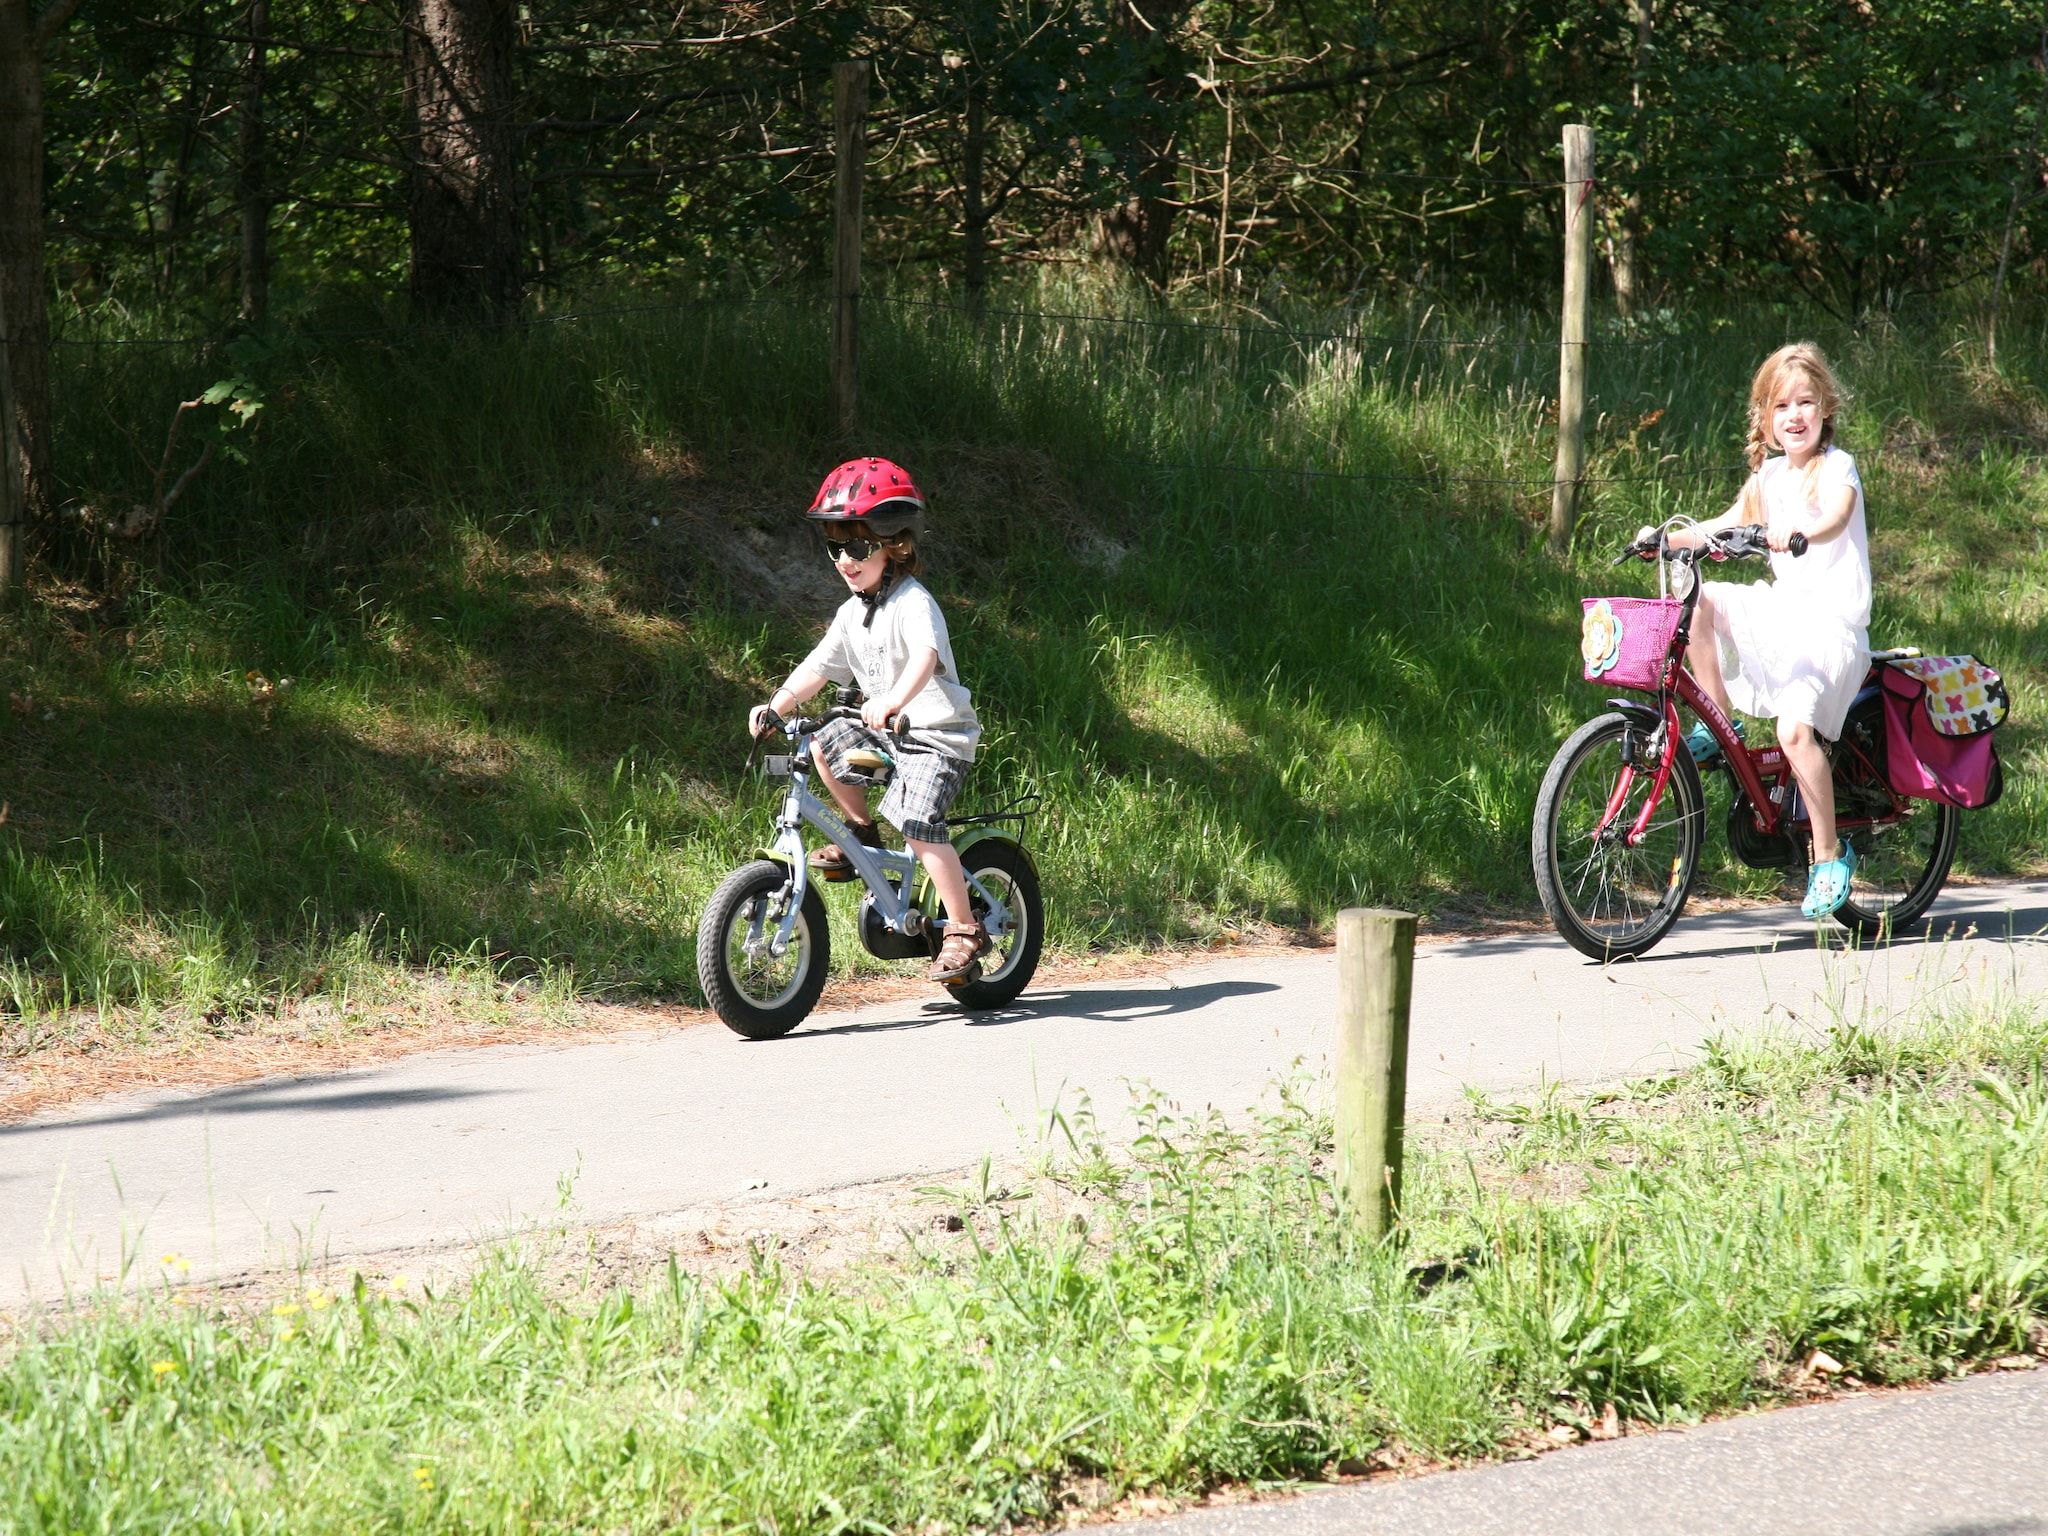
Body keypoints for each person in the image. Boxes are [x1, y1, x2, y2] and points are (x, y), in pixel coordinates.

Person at [748, 457, 991, 983]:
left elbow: (925, 657)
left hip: (936, 737)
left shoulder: (912, 603)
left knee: (920, 824)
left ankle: (964, 929)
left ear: (894, 544)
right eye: (836, 548)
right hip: (888, 732)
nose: (845, 560)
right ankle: (861, 831)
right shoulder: (851, 612)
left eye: (858, 548)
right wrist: (777, 704)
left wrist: (896, 700)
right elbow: (818, 666)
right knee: (821, 740)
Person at [1662, 342, 1871, 920]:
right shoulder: (1769, 475)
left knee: (1793, 733)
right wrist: (1666, 537)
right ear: (1767, 417)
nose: (1795, 415)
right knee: (1698, 598)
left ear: (1825, 408)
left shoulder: (1837, 468)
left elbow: (1835, 517)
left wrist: (1798, 532)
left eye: (1806, 402)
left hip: (1830, 632)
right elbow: (1722, 527)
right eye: (1782, 406)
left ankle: (1828, 855)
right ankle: (1718, 721)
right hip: (1785, 616)